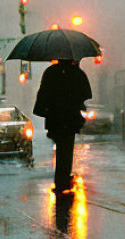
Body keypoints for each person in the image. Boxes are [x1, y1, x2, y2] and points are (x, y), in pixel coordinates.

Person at [33, 59, 92, 194]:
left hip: (55, 119)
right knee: (67, 148)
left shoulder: (50, 72)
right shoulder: (77, 73)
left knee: (60, 147)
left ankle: (60, 179)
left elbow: (43, 95)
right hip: (70, 119)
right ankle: (64, 179)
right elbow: (87, 94)